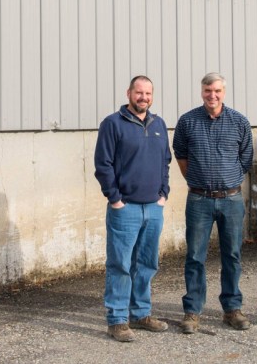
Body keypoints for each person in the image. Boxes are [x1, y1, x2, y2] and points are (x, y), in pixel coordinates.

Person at [172, 72, 253, 334]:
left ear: (224, 92)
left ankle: (232, 309)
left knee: (232, 255)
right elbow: (181, 155)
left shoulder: (240, 122)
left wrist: (227, 180)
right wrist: (199, 180)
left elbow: (245, 159)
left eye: (217, 90)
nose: (212, 95)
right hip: (199, 199)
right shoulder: (187, 121)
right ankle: (192, 311)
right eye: (208, 90)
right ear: (202, 91)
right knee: (195, 256)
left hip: (231, 199)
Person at [94, 75, 172, 342]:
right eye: (139, 93)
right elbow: (103, 165)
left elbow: (165, 162)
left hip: (153, 208)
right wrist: (115, 199)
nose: (144, 98)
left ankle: (141, 314)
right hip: (124, 208)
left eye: (148, 94)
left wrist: (164, 194)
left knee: (147, 263)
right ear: (129, 93)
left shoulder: (159, 124)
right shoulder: (112, 124)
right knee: (120, 264)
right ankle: (117, 319)